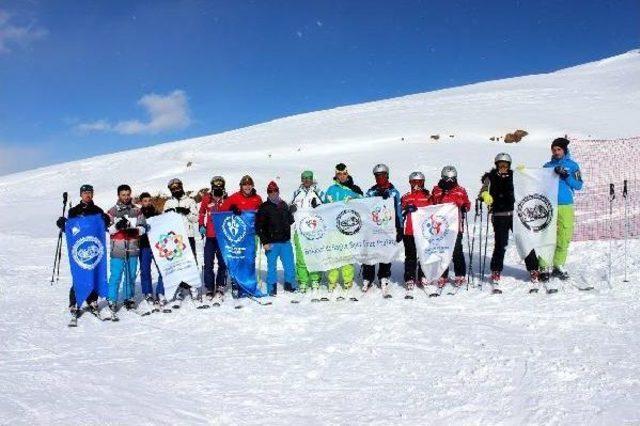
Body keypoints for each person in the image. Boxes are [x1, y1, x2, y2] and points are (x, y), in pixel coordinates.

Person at [479, 153, 539, 291]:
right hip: (499, 215)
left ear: (509, 165)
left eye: (505, 165)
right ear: (496, 165)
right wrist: (484, 194)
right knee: (501, 243)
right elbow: (483, 189)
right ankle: (495, 270)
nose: (503, 167)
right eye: (500, 164)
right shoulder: (490, 177)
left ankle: (533, 269)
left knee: (524, 241)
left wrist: (525, 174)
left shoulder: (515, 176)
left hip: (516, 215)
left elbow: (529, 187)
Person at [56, 184, 110, 317]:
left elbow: (103, 226)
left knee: (94, 272)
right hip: (80, 247)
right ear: (81, 195)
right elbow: (72, 230)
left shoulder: (98, 210)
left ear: (93, 194)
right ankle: (74, 302)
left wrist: (106, 220)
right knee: (80, 273)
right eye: (85, 193)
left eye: (90, 192)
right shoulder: (74, 211)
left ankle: (92, 300)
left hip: (93, 247)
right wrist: (63, 224)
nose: (87, 195)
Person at [540, 137, 583, 281]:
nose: (556, 152)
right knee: (547, 234)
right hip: (549, 205)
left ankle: (558, 265)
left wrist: (566, 177)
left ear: (564, 150)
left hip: (566, 204)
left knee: (564, 235)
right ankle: (544, 267)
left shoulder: (572, 165)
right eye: (554, 149)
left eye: (559, 149)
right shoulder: (547, 166)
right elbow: (538, 184)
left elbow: (578, 185)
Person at [361, 164, 403, 295]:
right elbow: (365, 208)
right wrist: (376, 198)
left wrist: (400, 227)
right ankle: (368, 276)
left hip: (388, 228)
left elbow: (398, 210)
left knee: (386, 251)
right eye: (377, 175)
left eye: (382, 175)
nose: (380, 178)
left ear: (387, 175)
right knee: (371, 250)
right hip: (373, 228)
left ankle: (384, 275)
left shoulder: (394, 192)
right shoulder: (371, 191)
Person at [323, 163, 363, 294]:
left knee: (347, 253)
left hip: (347, 228)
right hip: (333, 229)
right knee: (333, 253)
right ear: (336, 175)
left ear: (347, 173)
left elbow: (365, 202)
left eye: (344, 173)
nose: (342, 176)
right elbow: (323, 207)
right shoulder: (331, 189)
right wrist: (320, 204)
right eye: (339, 174)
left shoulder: (353, 189)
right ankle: (332, 280)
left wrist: (356, 196)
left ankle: (347, 279)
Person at [221, 175, 263, 297]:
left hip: (251, 235)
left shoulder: (257, 198)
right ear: (241, 186)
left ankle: (249, 283)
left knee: (250, 259)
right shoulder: (234, 197)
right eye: (245, 184)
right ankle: (236, 282)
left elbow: (261, 214)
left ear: (252, 185)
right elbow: (222, 211)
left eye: (249, 184)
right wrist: (231, 208)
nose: (247, 187)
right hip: (237, 235)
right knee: (237, 258)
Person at [106, 184, 146, 313]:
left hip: (133, 248)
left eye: (128, 194)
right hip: (117, 249)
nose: (126, 197)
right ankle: (112, 299)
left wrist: (135, 230)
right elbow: (109, 230)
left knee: (131, 275)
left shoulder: (137, 211)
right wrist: (118, 226)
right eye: (123, 195)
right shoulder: (112, 211)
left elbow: (143, 228)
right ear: (118, 195)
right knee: (116, 276)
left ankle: (128, 298)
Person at [430, 166, 471, 289]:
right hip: (441, 226)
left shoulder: (460, 190)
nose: (449, 181)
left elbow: (467, 204)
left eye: (452, 179)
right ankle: (442, 274)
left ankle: (460, 274)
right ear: (442, 178)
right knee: (442, 250)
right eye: (447, 179)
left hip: (455, 225)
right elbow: (431, 204)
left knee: (456, 250)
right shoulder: (437, 190)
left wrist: (464, 207)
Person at [256, 181, 297, 296]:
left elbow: (290, 221)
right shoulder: (264, 207)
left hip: (285, 242)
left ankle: (290, 284)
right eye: (270, 191)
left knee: (289, 265)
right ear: (268, 193)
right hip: (271, 243)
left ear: (278, 191)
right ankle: (271, 288)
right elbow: (259, 227)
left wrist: (291, 212)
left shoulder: (283, 204)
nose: (273, 193)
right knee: (272, 266)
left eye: (275, 191)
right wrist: (265, 242)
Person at [163, 178, 199, 301]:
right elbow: (164, 221)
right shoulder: (168, 203)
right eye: (173, 189)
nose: (176, 190)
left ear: (181, 187)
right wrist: (167, 215)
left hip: (188, 235)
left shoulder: (190, 201)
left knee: (191, 261)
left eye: (178, 187)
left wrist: (186, 211)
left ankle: (193, 285)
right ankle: (181, 286)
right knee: (178, 263)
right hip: (175, 238)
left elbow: (195, 218)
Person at [290, 170, 324, 294]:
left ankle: (315, 278)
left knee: (314, 253)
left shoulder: (318, 192)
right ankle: (303, 280)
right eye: (304, 178)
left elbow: (328, 206)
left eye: (309, 178)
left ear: (312, 179)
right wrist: (291, 208)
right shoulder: (296, 192)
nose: (307, 180)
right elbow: (291, 207)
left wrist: (319, 206)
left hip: (314, 229)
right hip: (299, 229)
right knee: (301, 256)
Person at [198, 176, 228, 301]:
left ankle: (220, 285)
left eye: (220, 186)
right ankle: (209, 287)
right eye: (216, 187)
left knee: (222, 263)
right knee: (208, 263)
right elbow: (201, 213)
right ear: (212, 186)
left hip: (222, 237)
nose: (218, 189)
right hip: (210, 236)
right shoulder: (206, 198)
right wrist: (201, 225)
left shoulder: (227, 199)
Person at [401, 171, 431, 290]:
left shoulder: (428, 196)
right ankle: (409, 277)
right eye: (414, 182)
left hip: (423, 231)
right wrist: (406, 209)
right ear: (410, 183)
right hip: (409, 231)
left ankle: (423, 275)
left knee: (424, 254)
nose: (416, 184)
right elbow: (399, 212)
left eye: (419, 182)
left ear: (423, 182)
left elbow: (435, 210)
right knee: (410, 255)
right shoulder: (406, 196)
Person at [138, 192, 165, 308]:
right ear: (141, 202)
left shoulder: (157, 212)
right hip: (144, 245)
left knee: (162, 269)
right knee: (145, 270)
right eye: (145, 201)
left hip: (157, 245)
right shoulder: (138, 213)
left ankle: (160, 292)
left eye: (149, 200)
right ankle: (148, 292)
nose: (147, 203)